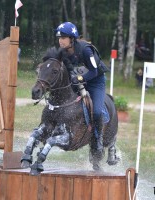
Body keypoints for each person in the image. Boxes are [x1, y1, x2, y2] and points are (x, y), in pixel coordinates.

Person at [55, 22, 110, 156]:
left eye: (63, 38)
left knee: (96, 112)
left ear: (72, 39)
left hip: (96, 81)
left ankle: (97, 140)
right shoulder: (62, 51)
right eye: (59, 38)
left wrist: (80, 79)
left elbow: (94, 71)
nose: (60, 41)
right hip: (79, 80)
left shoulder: (86, 49)